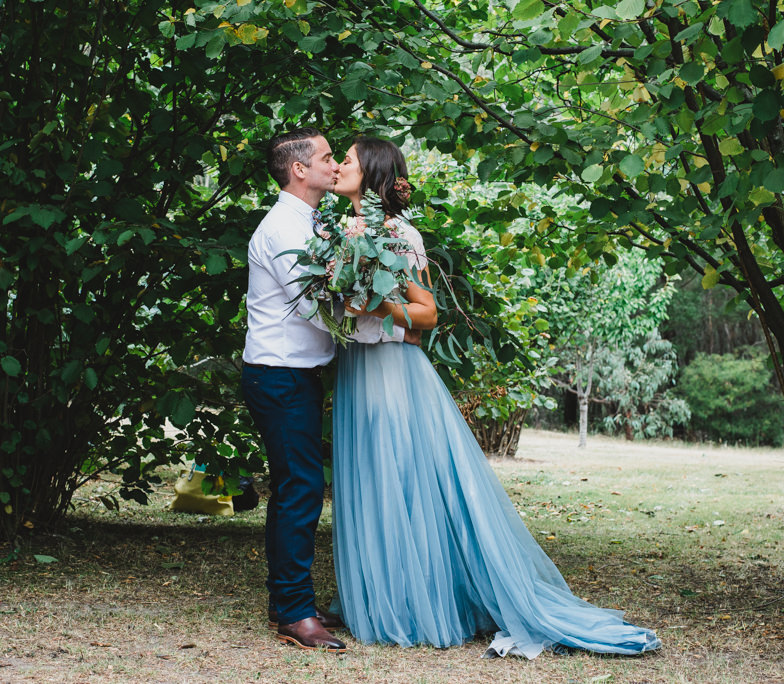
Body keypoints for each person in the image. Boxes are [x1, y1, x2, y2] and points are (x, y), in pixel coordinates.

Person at [328, 136, 661, 658]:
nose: (339, 166)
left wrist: (380, 303)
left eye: (346, 159)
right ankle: (376, 598)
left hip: (393, 371)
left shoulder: (398, 235)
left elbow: (427, 314)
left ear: (370, 172)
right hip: (357, 368)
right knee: (369, 476)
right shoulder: (341, 233)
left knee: (402, 479)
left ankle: (418, 602)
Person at [240, 127, 347, 653]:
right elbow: (312, 306)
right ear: (299, 169)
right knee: (301, 487)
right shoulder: (283, 227)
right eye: (327, 157)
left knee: (293, 487)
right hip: (279, 376)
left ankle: (288, 600)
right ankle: (295, 613)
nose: (334, 164)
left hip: (296, 375)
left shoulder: (309, 221)